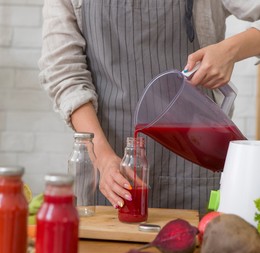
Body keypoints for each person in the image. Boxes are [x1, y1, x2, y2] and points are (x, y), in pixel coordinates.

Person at [38, 0, 260, 215]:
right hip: (109, 172)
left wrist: (232, 49)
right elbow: (64, 72)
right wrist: (103, 158)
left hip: (196, 169)